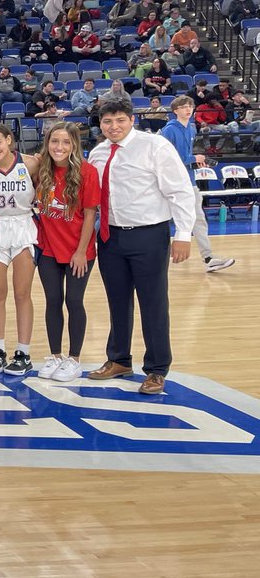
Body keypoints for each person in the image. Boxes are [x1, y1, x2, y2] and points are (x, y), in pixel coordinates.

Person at [87, 97, 196, 395]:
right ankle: (119, 359)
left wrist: (183, 233)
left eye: (120, 120)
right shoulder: (97, 153)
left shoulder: (155, 147)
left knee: (153, 303)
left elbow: (180, 190)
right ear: (100, 123)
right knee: (117, 302)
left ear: (131, 119)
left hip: (149, 235)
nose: (114, 126)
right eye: (107, 121)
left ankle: (157, 369)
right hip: (110, 237)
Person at [35, 122, 99, 383]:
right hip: (48, 248)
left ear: (74, 145)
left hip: (78, 250)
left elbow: (90, 214)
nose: (59, 147)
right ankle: (55, 355)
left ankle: (74, 358)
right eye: (54, 141)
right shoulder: (41, 168)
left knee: (73, 301)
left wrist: (81, 251)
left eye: (65, 142)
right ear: (47, 143)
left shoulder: (87, 172)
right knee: (53, 301)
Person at [0, 124, 39, 374]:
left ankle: (23, 352)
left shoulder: (31, 164)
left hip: (24, 226)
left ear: (9, 140)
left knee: (22, 293)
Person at [158, 95, 235, 273]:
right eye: (184, 107)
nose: (188, 109)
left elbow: (184, 158)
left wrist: (196, 161)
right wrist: (194, 158)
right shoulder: (169, 130)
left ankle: (208, 257)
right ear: (175, 110)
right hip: (171, 181)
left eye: (190, 106)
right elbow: (168, 158)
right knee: (162, 219)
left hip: (188, 179)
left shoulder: (192, 128)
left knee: (198, 218)